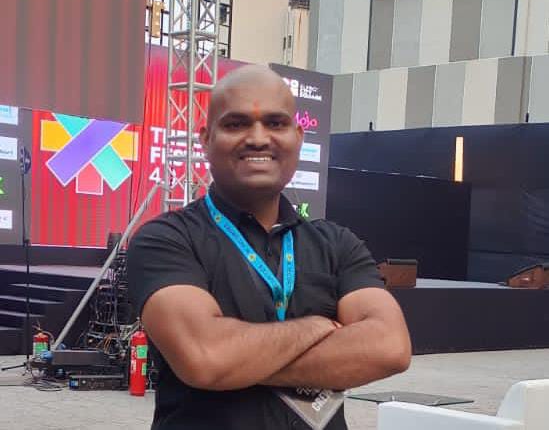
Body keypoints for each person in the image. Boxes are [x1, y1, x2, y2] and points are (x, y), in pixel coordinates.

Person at [127, 65, 411, 430]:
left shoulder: (338, 245)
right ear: (206, 139)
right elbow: (206, 356)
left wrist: (239, 362)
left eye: (276, 123)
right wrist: (318, 327)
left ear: (298, 136)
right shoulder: (166, 239)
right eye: (236, 124)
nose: (258, 138)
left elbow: (390, 347)